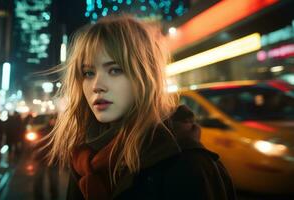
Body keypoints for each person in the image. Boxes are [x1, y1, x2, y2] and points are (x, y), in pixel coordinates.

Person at [43, 15, 236, 200]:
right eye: (88, 73)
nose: (96, 85)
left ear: (144, 75)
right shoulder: (83, 159)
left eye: (115, 70)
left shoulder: (187, 164)